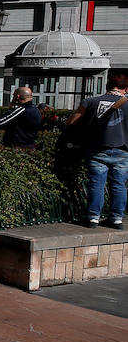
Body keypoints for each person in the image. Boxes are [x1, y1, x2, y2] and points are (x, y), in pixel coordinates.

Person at [66, 74, 128, 230]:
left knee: (96, 184)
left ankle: (93, 218)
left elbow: (71, 121)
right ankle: (116, 219)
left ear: (107, 86)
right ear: (125, 89)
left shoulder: (91, 101)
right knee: (119, 185)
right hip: (122, 150)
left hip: (96, 149)